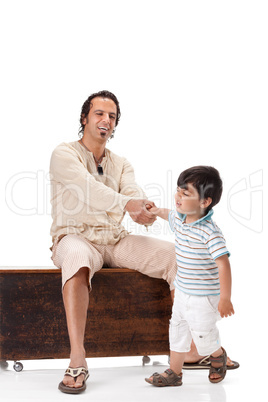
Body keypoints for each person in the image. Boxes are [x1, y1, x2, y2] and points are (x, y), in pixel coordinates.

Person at [50, 91, 238, 394]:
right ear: (84, 118)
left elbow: (132, 193)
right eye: (99, 113)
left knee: (176, 256)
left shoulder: (121, 163)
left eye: (111, 116)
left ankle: (192, 349)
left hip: (115, 239)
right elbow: (87, 189)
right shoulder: (64, 154)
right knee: (77, 258)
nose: (105, 121)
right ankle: (77, 359)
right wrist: (128, 204)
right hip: (74, 236)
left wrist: (144, 210)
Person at [145, 166, 235, 387]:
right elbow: (170, 215)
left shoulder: (210, 232)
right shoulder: (181, 218)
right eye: (178, 190)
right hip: (183, 290)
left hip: (204, 297)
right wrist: (157, 211)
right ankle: (175, 372)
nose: (178, 196)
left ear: (205, 202)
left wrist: (225, 298)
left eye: (186, 194)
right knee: (177, 330)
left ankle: (217, 355)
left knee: (203, 336)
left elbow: (223, 264)